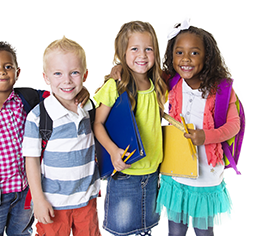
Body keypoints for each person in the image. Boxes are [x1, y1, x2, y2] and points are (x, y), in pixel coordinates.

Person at [0, 41, 89, 236]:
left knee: (21, 232)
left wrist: (81, 91)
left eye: (8, 67)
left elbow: (61, 95)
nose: (1, 72)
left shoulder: (28, 99)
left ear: (17, 72)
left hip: (26, 192)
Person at [156, 20, 240, 236]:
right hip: (176, 171)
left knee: (203, 231)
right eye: (179, 52)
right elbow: (142, 75)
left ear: (207, 57)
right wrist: (118, 68)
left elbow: (234, 125)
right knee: (175, 231)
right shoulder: (172, 81)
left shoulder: (221, 89)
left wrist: (206, 136)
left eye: (194, 53)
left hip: (206, 174)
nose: (185, 59)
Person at [94, 21, 167, 236]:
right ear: (122, 53)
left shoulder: (157, 84)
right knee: (124, 231)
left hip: (153, 174)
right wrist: (112, 151)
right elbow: (97, 124)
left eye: (148, 49)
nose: (142, 55)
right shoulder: (115, 86)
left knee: (145, 229)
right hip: (126, 173)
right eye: (134, 49)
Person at [22, 37, 101, 236]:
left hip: (86, 199)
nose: (66, 80)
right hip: (53, 203)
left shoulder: (89, 107)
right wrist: (38, 200)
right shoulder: (38, 117)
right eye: (58, 73)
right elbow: (30, 161)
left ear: (85, 75)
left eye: (74, 73)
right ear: (46, 77)